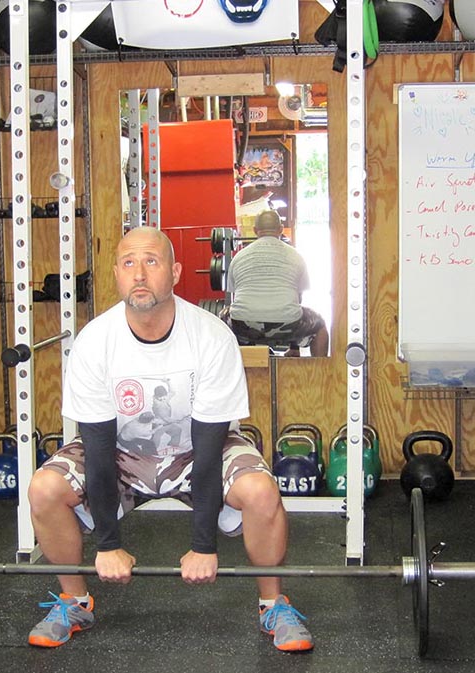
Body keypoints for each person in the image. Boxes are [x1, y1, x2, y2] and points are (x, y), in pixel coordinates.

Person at [27, 226, 313, 653]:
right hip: (122, 451)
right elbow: (100, 447)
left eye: (151, 261)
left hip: (198, 450)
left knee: (260, 490)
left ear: (175, 272)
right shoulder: (94, 343)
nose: (139, 274)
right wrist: (108, 546)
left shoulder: (211, 336)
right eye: (128, 263)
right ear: (116, 275)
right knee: (44, 488)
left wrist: (204, 546)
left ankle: (273, 603)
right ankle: (74, 600)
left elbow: (212, 442)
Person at [226, 210, 329, 357]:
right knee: (319, 326)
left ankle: (231, 369)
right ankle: (320, 377)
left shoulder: (239, 257)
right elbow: (298, 298)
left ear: (255, 231)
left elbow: (235, 297)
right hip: (288, 324)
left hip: (243, 325)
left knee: (220, 322)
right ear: (280, 229)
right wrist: (295, 345)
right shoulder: (296, 256)